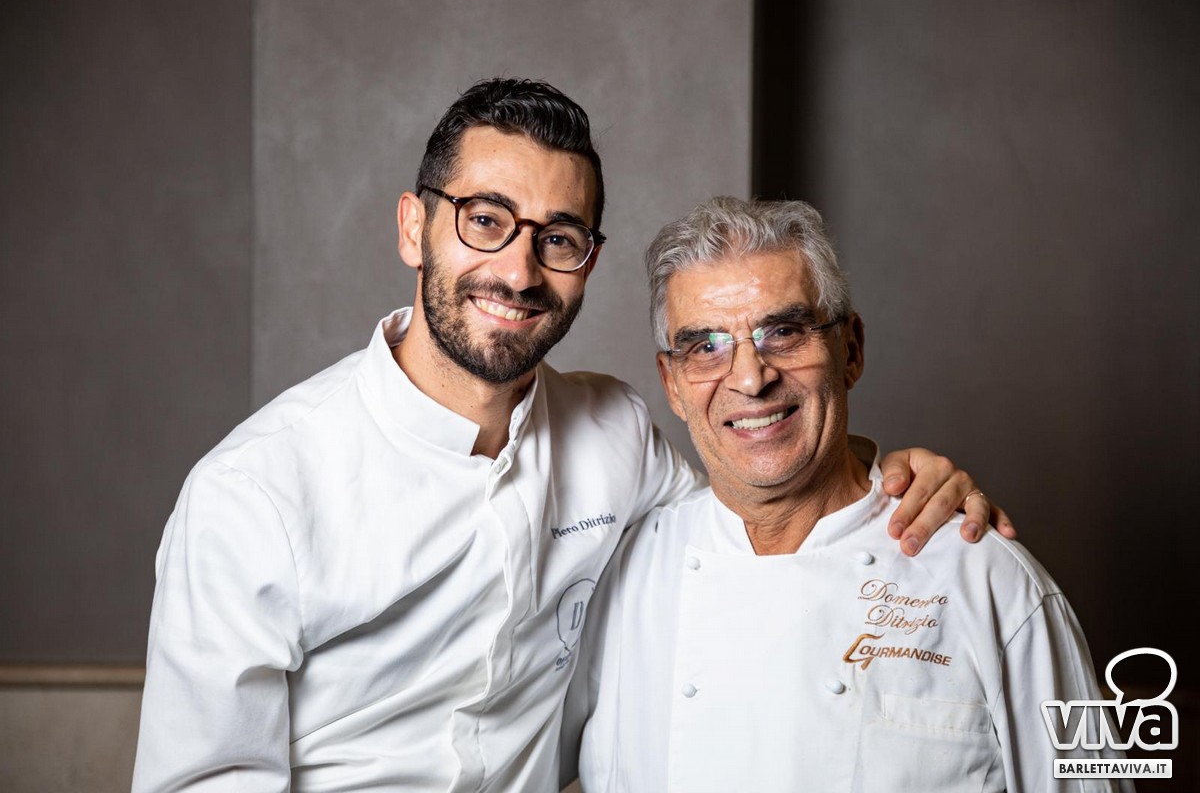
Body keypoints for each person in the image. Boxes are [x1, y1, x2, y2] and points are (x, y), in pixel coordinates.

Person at [132, 80, 1008, 792]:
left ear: (587, 261)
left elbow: (760, 499)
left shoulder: (615, 434)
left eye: (558, 237)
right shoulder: (254, 494)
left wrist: (880, 472)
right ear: (413, 227)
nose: (518, 271)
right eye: (484, 219)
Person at [563, 196, 1126, 792]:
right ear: (673, 384)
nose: (750, 379)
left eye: (784, 332)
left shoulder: (995, 581)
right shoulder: (617, 577)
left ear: (850, 349)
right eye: (706, 346)